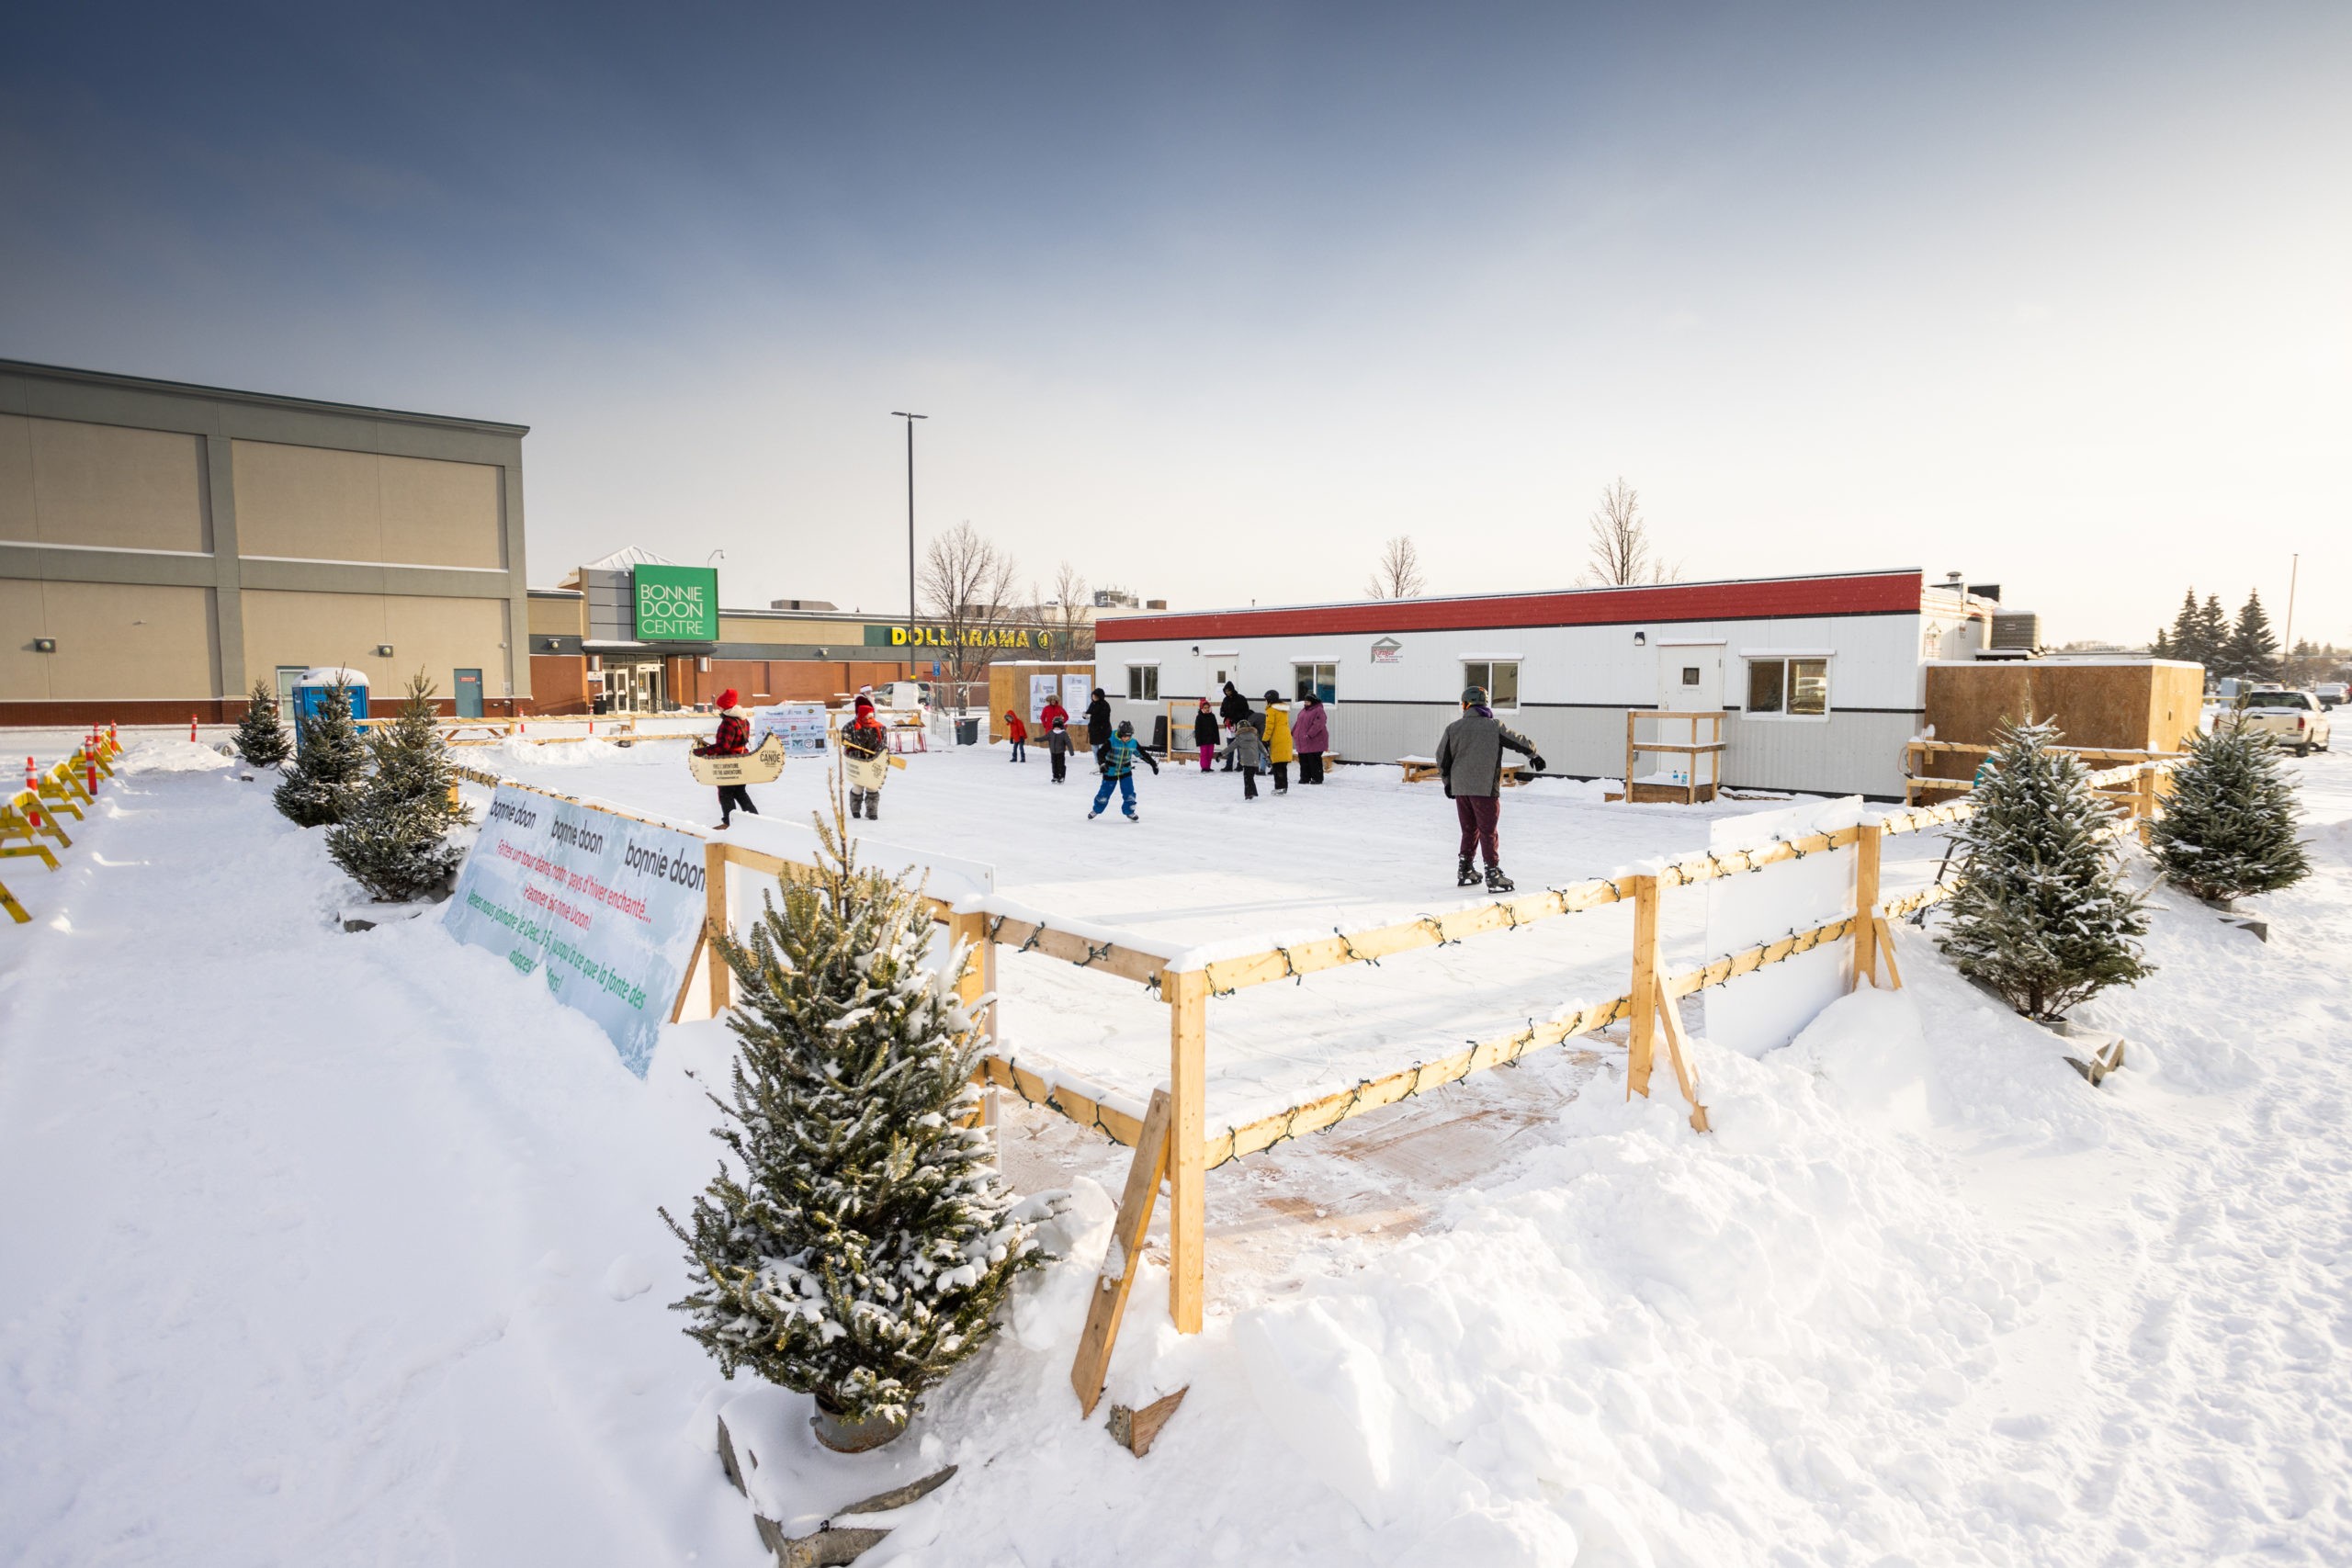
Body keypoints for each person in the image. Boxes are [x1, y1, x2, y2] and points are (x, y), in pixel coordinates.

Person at [1434, 685, 1544, 891]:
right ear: (1484, 704)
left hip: (1461, 789)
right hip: (1485, 788)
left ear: (1466, 704)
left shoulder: (1453, 728)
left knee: (1469, 830)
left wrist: (1448, 783)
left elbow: (1442, 758)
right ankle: (1493, 873)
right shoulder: (1494, 726)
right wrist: (1534, 755)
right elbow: (1517, 740)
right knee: (1488, 831)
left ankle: (1466, 868)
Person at [696, 688, 760, 829]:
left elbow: (724, 746)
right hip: (741, 760)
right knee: (739, 791)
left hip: (728, 763)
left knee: (726, 793)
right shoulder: (743, 720)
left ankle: (729, 823)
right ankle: (755, 819)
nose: (719, 707)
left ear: (725, 706)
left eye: (720, 705)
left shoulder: (728, 723)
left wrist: (704, 751)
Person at [1089, 718, 1159, 821]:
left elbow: (1143, 754)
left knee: (1129, 792)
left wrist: (1153, 764)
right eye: (1124, 736)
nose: (1126, 738)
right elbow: (1101, 753)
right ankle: (1096, 810)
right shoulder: (1111, 740)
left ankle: (1129, 811)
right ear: (1120, 734)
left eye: (1128, 736)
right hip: (1110, 771)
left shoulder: (1133, 743)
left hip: (1125, 771)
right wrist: (1102, 763)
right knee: (1104, 793)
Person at [841, 695, 890, 820]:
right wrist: (851, 746)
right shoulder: (850, 726)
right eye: (868, 716)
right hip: (857, 760)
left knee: (872, 785)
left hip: (873, 761)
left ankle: (872, 811)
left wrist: (877, 754)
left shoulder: (879, 727)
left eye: (871, 715)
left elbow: (883, 744)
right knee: (858, 786)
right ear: (862, 715)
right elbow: (845, 740)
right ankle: (855, 809)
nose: (870, 718)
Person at [1261, 689, 1295, 795]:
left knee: (1277, 765)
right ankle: (1284, 787)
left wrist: (1265, 739)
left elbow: (1269, 726)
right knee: (1282, 765)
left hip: (1277, 738)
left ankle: (1279, 787)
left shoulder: (1271, 710)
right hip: (1285, 737)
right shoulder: (1282, 708)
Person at [1295, 694, 1330, 784]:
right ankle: (1305, 778)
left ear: (1313, 702)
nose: (1306, 703)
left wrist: (1309, 735)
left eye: (1308, 702)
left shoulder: (1318, 710)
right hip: (1303, 740)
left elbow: (1319, 724)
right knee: (1304, 761)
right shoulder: (1303, 710)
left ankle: (1317, 778)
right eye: (1305, 702)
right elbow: (1298, 723)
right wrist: (1294, 732)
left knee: (1314, 761)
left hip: (1314, 740)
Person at [1217, 682, 1253, 771]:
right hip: (1229, 726)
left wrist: (1235, 718)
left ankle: (1240, 765)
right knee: (1230, 745)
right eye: (1226, 691)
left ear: (1232, 690)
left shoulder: (1241, 699)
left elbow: (1246, 712)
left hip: (1239, 725)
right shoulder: (1225, 700)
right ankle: (1229, 765)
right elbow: (1222, 710)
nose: (1227, 692)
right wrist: (1222, 713)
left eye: (1229, 691)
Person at [1230, 713, 1265, 800]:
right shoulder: (1255, 737)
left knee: (1247, 777)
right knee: (1250, 777)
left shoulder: (1239, 738)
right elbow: (1262, 748)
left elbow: (1230, 748)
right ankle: (1252, 792)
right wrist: (1268, 757)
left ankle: (1249, 794)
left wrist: (1221, 754)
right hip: (1255, 762)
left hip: (1246, 762)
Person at [1085, 688, 1114, 768]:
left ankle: (1104, 764)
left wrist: (1092, 715)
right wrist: (1085, 715)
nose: (1093, 698)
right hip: (1093, 730)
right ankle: (1097, 764)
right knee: (1094, 748)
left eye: (1095, 696)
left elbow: (1103, 717)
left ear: (1100, 696)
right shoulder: (1092, 704)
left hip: (1103, 730)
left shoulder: (1105, 705)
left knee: (1102, 748)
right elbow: (1089, 712)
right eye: (1093, 696)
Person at [1192, 698, 1219, 773]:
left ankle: (1208, 767)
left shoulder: (1212, 716)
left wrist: (1217, 739)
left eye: (1208, 707)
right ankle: (1204, 767)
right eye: (1205, 708)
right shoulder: (1199, 717)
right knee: (1204, 754)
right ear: (1202, 708)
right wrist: (1198, 740)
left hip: (1211, 738)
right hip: (1203, 739)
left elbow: (1215, 728)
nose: (1207, 709)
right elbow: (1197, 730)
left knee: (1210, 754)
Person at [1046, 716, 1072, 784]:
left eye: (1058, 727)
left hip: (1060, 752)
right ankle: (1055, 776)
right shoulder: (1052, 733)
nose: (1056, 728)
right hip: (1053, 752)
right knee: (1054, 765)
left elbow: (1068, 742)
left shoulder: (1064, 734)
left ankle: (1062, 776)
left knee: (1060, 765)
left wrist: (1071, 751)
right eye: (1055, 727)